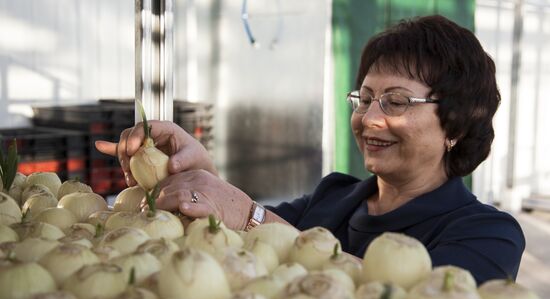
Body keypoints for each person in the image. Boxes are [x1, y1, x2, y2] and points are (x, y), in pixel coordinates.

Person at [96, 15, 524, 284]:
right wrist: (195, 176)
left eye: (396, 102)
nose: (369, 118)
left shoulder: (488, 234)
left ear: (456, 123)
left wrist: (249, 215)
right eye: (365, 98)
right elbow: (252, 240)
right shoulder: (333, 197)